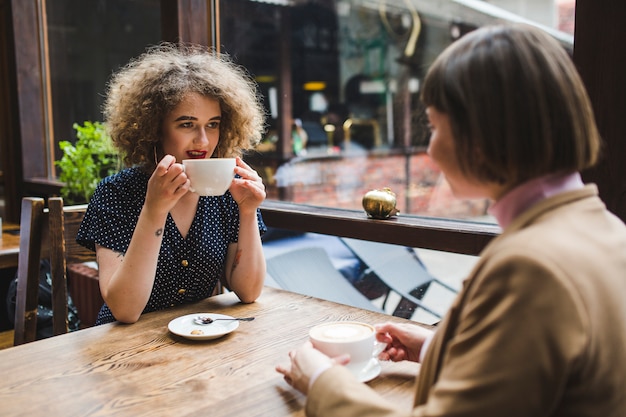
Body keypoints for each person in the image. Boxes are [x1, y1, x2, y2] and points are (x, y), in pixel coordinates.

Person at [276, 23, 626, 416]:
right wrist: (434, 347)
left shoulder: (532, 266)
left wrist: (321, 382)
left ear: (480, 135)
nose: (431, 148)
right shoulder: (608, 231)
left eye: (435, 126)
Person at [77, 43, 268, 325]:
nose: (203, 141)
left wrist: (248, 212)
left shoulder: (226, 193)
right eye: (187, 124)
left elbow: (248, 292)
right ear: (154, 128)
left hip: (198, 340)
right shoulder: (116, 193)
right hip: (122, 351)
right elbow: (125, 310)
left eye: (212, 124)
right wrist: (154, 210)